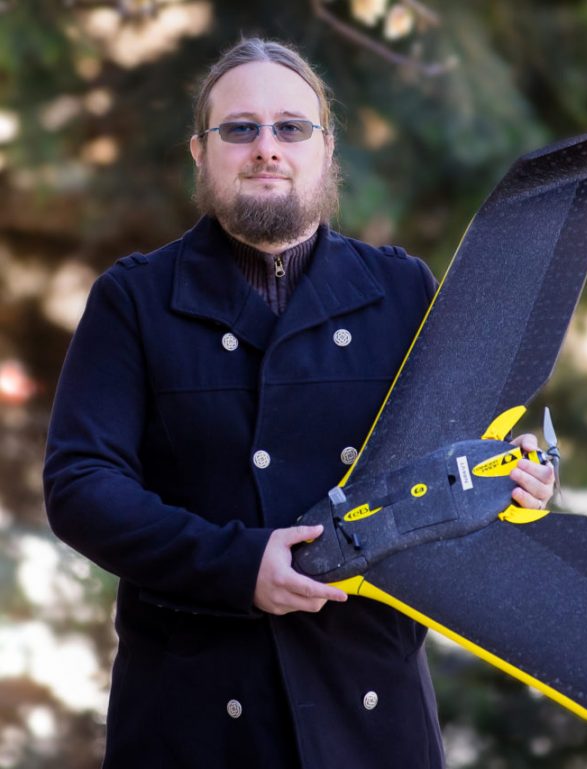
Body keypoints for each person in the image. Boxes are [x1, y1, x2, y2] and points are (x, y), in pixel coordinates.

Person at [44, 37, 554, 769]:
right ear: (200, 151)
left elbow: (455, 470)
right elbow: (80, 485)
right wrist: (236, 564)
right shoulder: (134, 299)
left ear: (326, 148)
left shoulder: (402, 289)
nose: (266, 148)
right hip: (195, 718)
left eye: (290, 127)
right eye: (240, 129)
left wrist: (516, 485)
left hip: (371, 717)